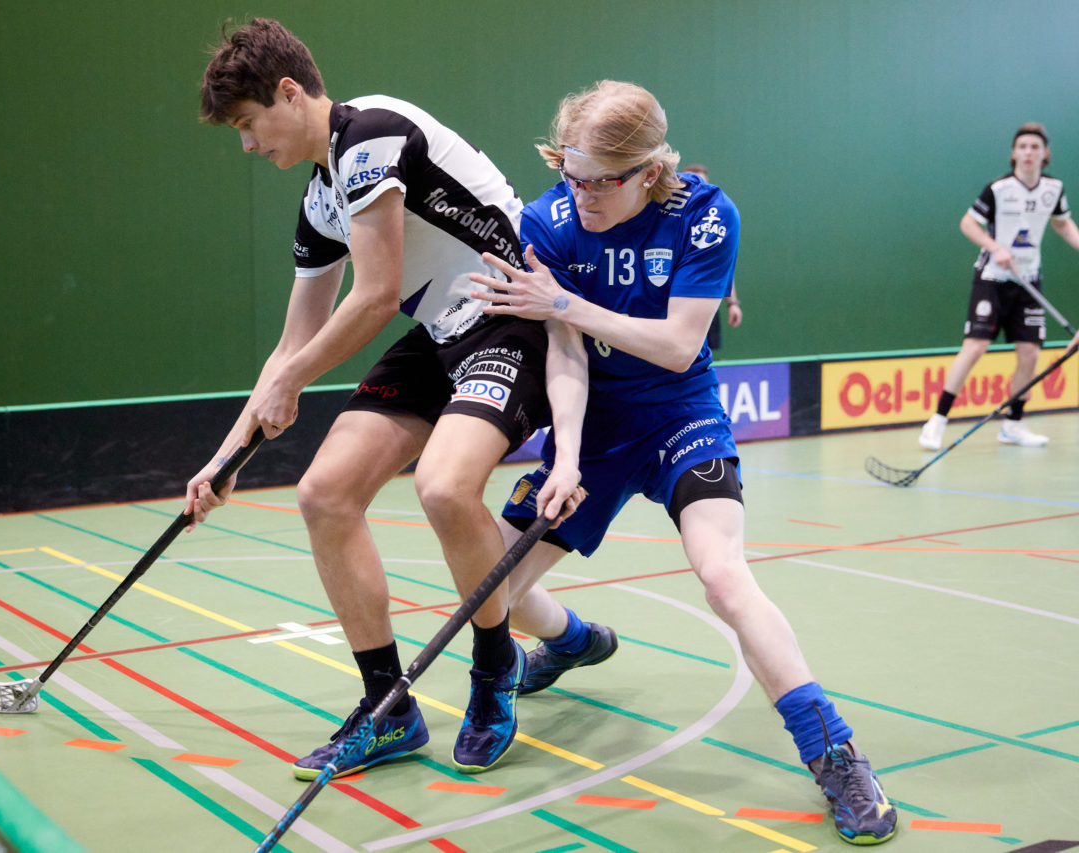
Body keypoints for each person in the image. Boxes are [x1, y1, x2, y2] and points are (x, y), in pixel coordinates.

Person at [469, 80, 898, 845]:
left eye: (604, 180)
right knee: (488, 589)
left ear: (650, 169)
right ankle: (572, 641)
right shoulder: (549, 219)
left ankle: (835, 752)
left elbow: (675, 346)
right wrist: (564, 456)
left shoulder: (704, 215)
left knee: (723, 574)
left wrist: (561, 303)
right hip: (596, 430)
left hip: (680, 415)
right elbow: (565, 351)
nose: (584, 194)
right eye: (572, 174)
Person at [185, 19, 589, 779]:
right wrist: (227, 455)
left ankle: (495, 666)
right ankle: (388, 708)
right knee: (324, 493)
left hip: (510, 320)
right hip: (441, 333)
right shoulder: (320, 202)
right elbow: (291, 344)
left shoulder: (370, 134)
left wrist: (292, 379)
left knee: (443, 485)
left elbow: (372, 300)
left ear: (288, 92)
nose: (247, 145)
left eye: (247, 124)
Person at [919, 122, 1079, 450]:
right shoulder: (997, 189)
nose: (1028, 152)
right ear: (1013, 154)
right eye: (1022, 147)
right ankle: (937, 420)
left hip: (1029, 281)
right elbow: (968, 223)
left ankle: (1013, 425)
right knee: (976, 346)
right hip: (992, 278)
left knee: (1030, 353)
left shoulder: (1054, 189)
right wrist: (995, 247)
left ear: (1045, 153)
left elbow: (1062, 223)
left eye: (1035, 147)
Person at [681, 164, 742, 350]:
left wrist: (733, 303)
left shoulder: (715, 222)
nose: (698, 187)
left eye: (703, 183)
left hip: (706, 301)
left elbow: (721, 269)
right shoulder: (672, 219)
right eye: (693, 182)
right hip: (678, 304)